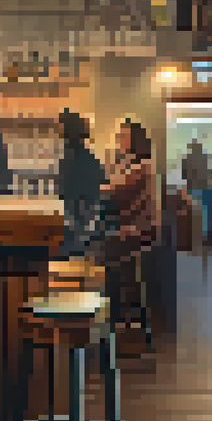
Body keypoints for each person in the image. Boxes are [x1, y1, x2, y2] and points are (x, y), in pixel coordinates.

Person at [102, 120, 157, 342]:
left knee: (103, 254)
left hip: (138, 231)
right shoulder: (143, 165)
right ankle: (117, 314)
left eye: (122, 136)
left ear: (134, 140)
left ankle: (113, 316)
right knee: (106, 251)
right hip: (142, 229)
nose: (118, 140)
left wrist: (98, 188)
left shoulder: (141, 166)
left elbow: (116, 192)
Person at [56, 109, 107, 257]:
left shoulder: (71, 157)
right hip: (86, 222)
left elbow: (67, 194)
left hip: (76, 225)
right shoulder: (88, 156)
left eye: (61, 127)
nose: (58, 131)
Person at [182, 140, 212, 247]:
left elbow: (184, 175)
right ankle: (208, 235)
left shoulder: (187, 159)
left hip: (194, 189)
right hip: (200, 188)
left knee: (204, 210)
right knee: (208, 210)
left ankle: (203, 235)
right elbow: (208, 174)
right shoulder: (203, 158)